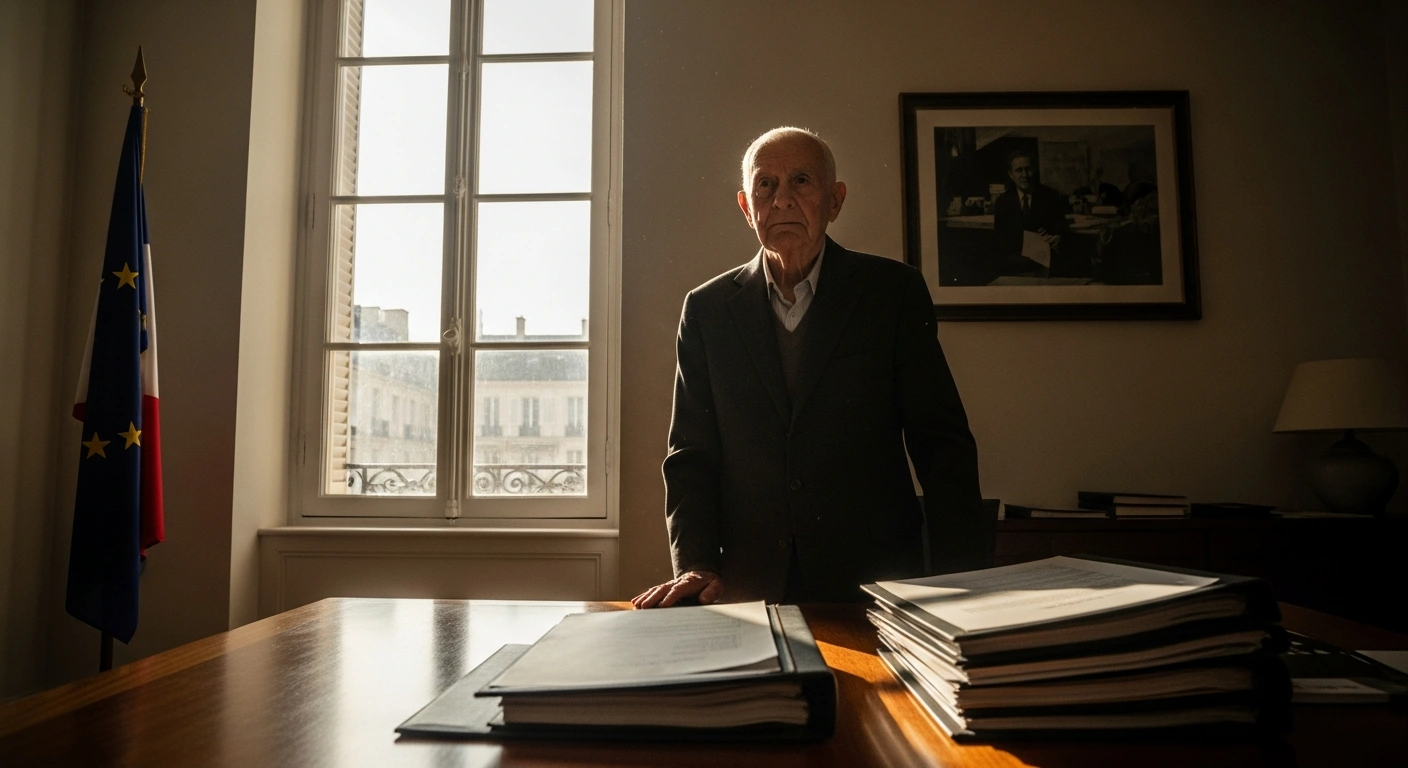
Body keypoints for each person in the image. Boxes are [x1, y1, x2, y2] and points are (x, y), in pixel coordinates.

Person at [632, 127, 986, 609]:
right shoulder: (708, 310)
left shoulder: (892, 294)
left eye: (801, 181)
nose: (782, 200)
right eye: (766, 185)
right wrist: (697, 562)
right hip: (749, 586)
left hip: (877, 584)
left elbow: (941, 443)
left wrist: (964, 579)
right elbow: (690, 453)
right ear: (745, 206)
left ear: (835, 200)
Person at [991, 149, 1071, 276]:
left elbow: (1063, 228)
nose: (1025, 175)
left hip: (1046, 265)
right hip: (1015, 267)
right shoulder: (1003, 201)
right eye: (1018, 170)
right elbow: (1000, 241)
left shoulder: (1050, 195)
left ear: (1035, 170)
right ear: (1010, 174)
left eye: (1028, 169)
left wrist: (1057, 237)